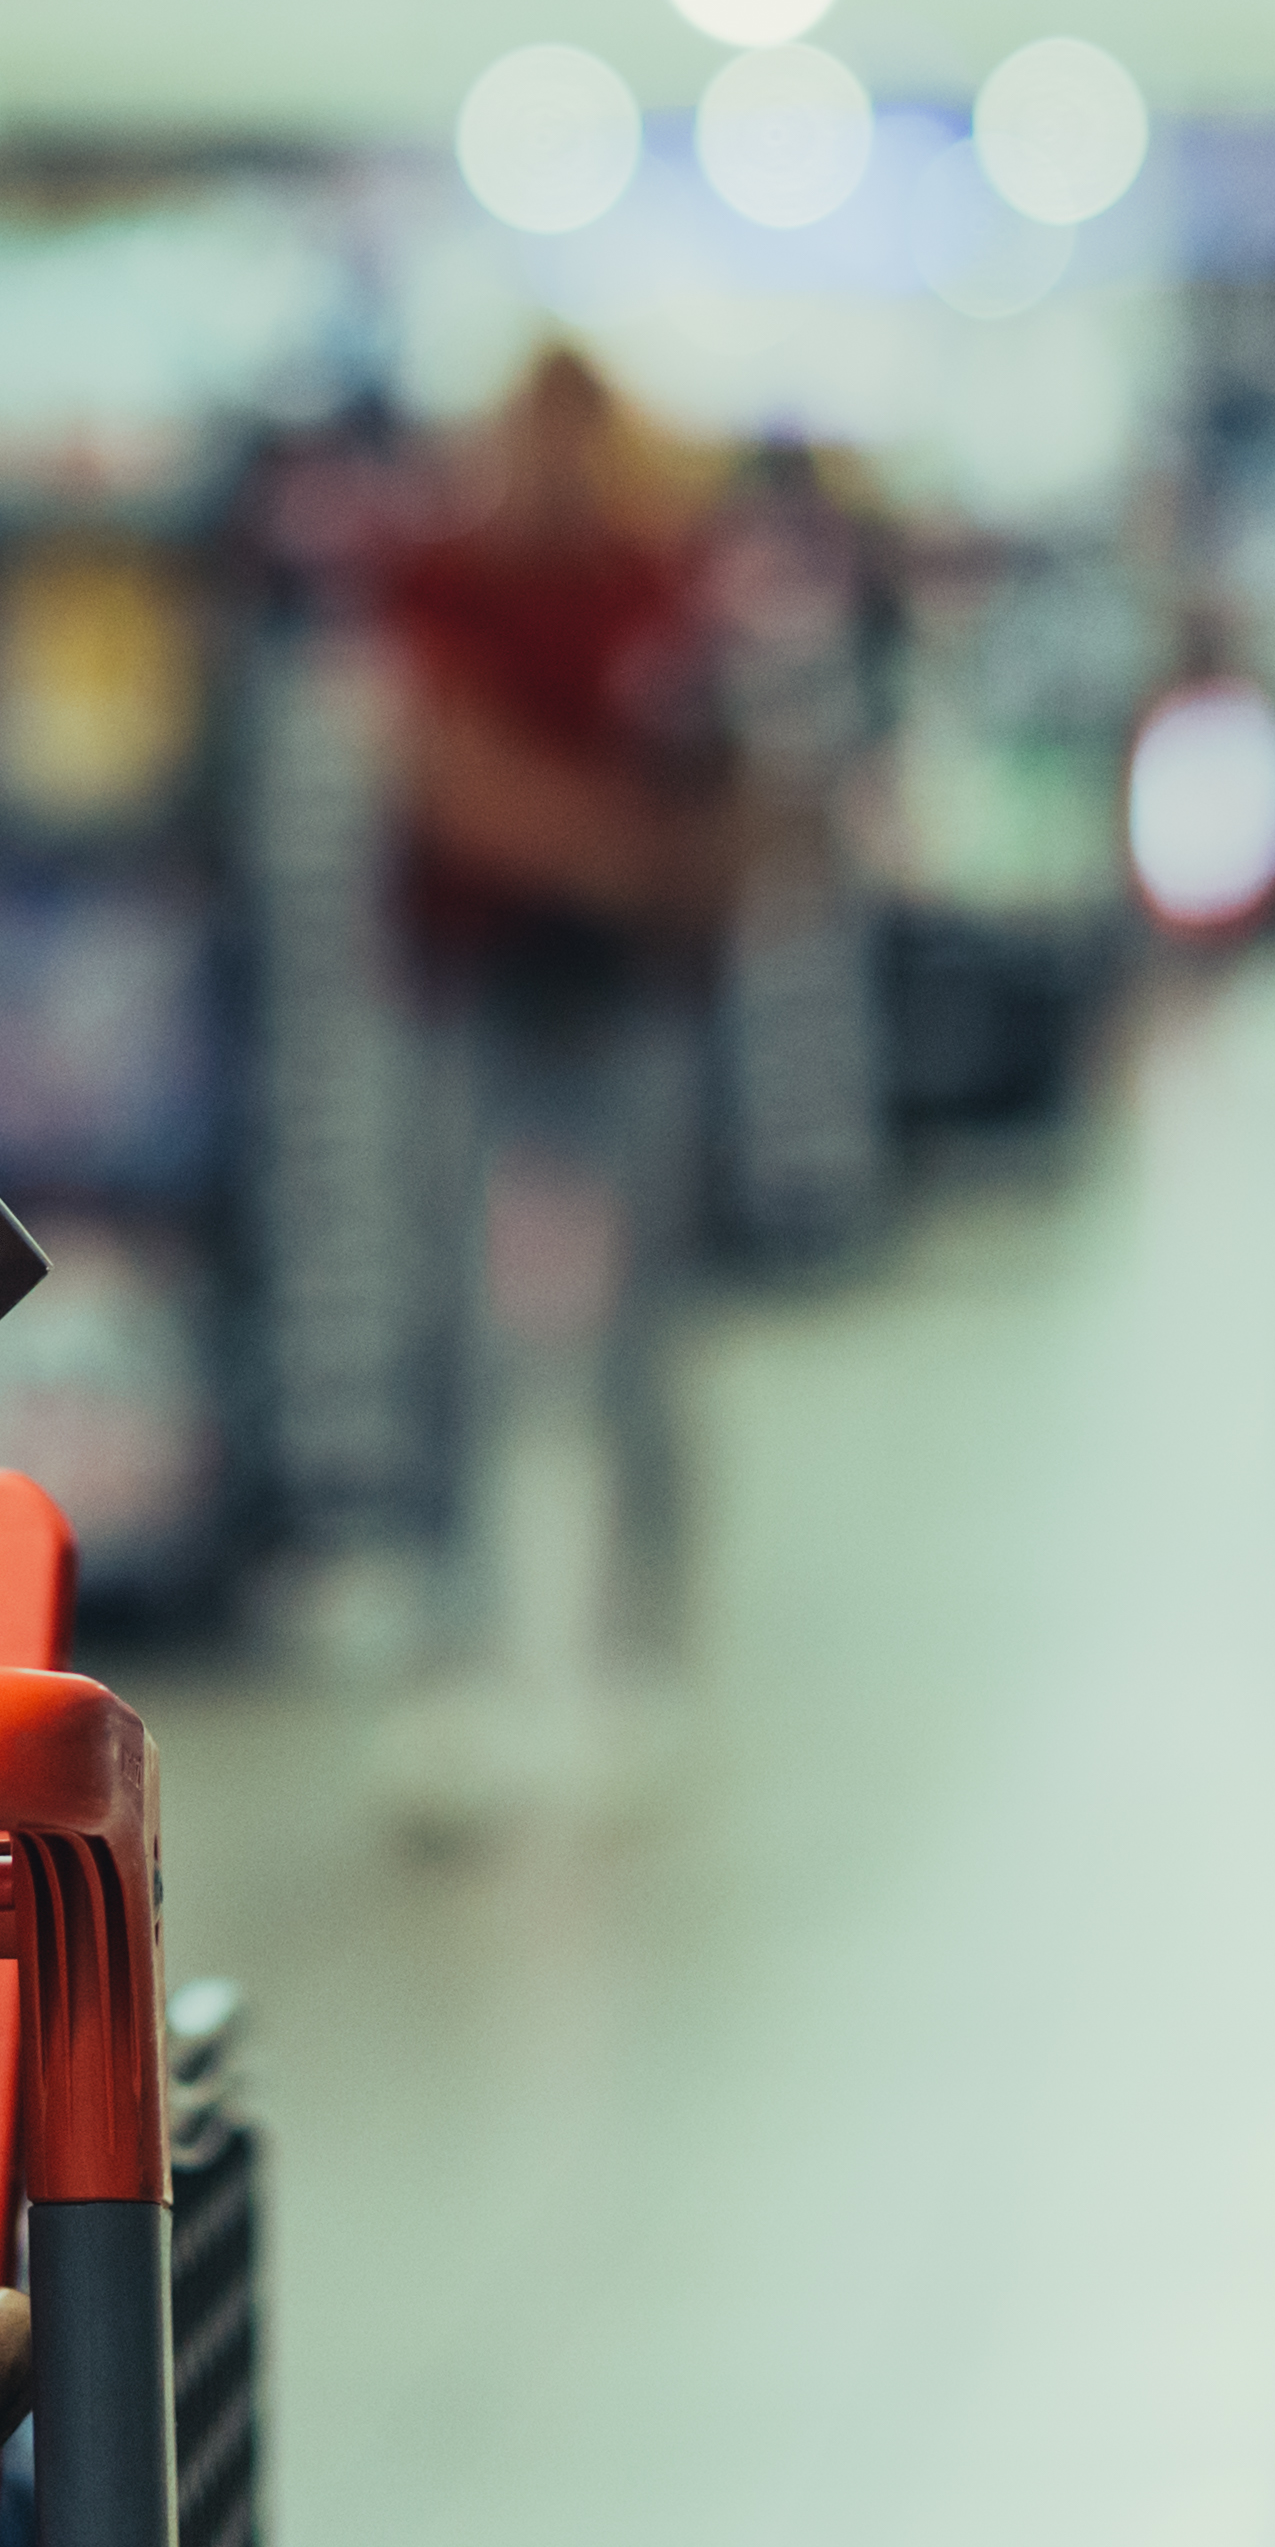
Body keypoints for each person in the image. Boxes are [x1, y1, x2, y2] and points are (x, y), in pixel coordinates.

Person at [364, 342, 733, 1816]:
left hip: (627, 989)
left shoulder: (659, 579)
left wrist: (671, 861)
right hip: (473, 984)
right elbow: (441, 770)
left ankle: (647, 1636)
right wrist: (612, 846)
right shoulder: (442, 577)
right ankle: (452, 1640)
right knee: (446, 1317)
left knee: (645, 1324)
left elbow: (719, 775)